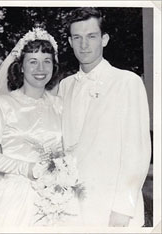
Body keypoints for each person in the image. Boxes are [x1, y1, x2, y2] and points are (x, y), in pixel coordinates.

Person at [0, 27, 82, 226]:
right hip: (16, 198)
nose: (40, 69)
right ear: (22, 67)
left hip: (59, 198)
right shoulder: (1, 105)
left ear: (54, 65)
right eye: (33, 62)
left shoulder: (60, 105)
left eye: (46, 61)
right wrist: (26, 168)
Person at [58, 7, 151, 227]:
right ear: (70, 42)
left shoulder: (127, 82)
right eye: (77, 38)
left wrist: (122, 209)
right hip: (72, 207)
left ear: (105, 39)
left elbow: (136, 152)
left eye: (91, 36)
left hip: (112, 209)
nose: (84, 45)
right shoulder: (65, 86)